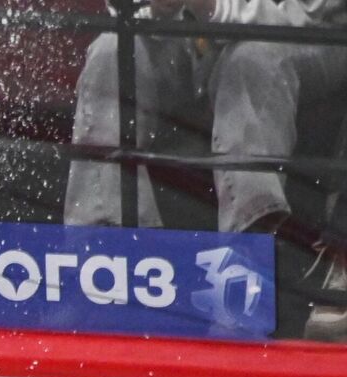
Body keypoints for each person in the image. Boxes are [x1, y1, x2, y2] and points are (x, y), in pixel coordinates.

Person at [63, 0, 347, 335]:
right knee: (111, 51)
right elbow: (125, 10)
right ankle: (105, 260)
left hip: (307, 34)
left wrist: (212, 7)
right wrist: (159, 9)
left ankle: (245, 267)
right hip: (196, 37)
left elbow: (305, 17)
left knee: (251, 61)